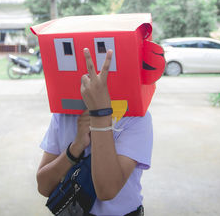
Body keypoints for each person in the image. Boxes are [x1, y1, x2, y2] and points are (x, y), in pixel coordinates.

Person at [37, 48, 152, 216]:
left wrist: (100, 117)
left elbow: (107, 191)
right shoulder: (63, 114)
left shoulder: (136, 117)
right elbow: (44, 186)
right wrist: (75, 147)